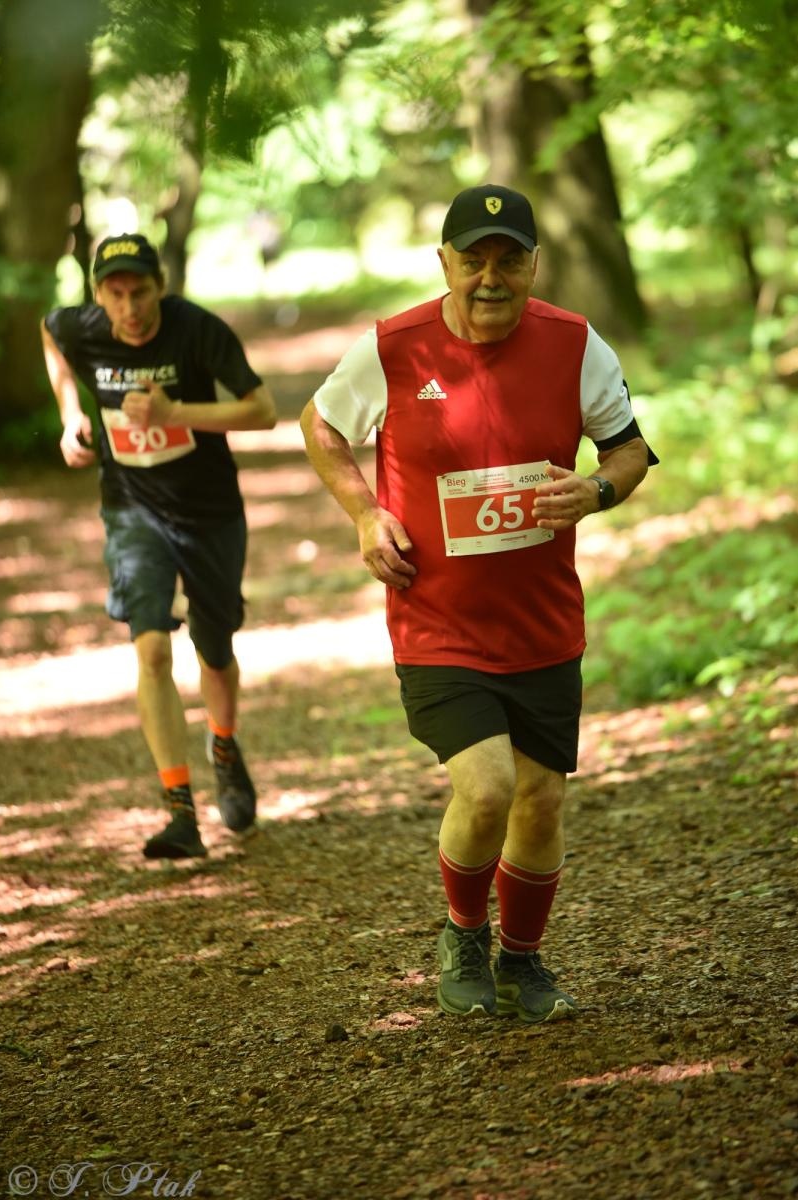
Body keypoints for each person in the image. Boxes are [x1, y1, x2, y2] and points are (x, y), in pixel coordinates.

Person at [300, 184, 657, 1023]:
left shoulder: (575, 344)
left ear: (534, 265)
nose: (489, 277)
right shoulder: (392, 348)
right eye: (473, 259)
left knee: (541, 798)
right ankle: (463, 933)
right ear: (444, 263)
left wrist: (597, 491)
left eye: (508, 260)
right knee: (489, 787)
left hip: (541, 622)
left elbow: (630, 450)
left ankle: (521, 960)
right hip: (436, 619)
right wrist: (365, 513)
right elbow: (320, 425)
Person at [41, 232, 277, 861]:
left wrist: (177, 413)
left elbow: (263, 410)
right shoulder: (82, 328)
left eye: (140, 292)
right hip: (132, 509)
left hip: (209, 512)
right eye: (115, 295)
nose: (130, 308)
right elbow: (51, 334)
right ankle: (180, 811)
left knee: (214, 648)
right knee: (150, 648)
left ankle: (223, 745)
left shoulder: (197, 330)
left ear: (160, 287)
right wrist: (71, 412)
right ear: (99, 296)